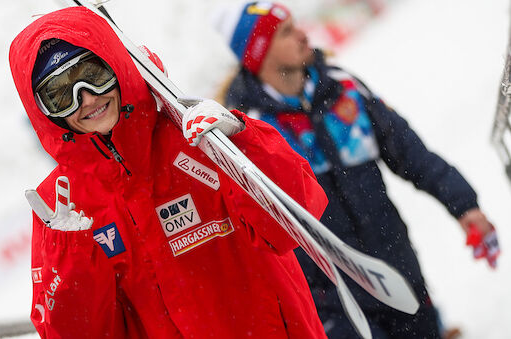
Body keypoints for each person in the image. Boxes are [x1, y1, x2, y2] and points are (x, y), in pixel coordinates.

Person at [9, 6, 331, 339]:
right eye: (60, 94)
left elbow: (295, 222)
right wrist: (69, 252)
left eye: (93, 74)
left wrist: (242, 142)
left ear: (117, 65)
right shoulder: (61, 208)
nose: (87, 99)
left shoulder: (195, 137)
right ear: (42, 111)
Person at [213, 1, 499, 338]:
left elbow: (410, 153)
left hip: (396, 266)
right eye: (287, 32)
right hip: (331, 297)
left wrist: (465, 206)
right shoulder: (249, 130)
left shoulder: (342, 90)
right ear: (258, 54)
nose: (304, 35)